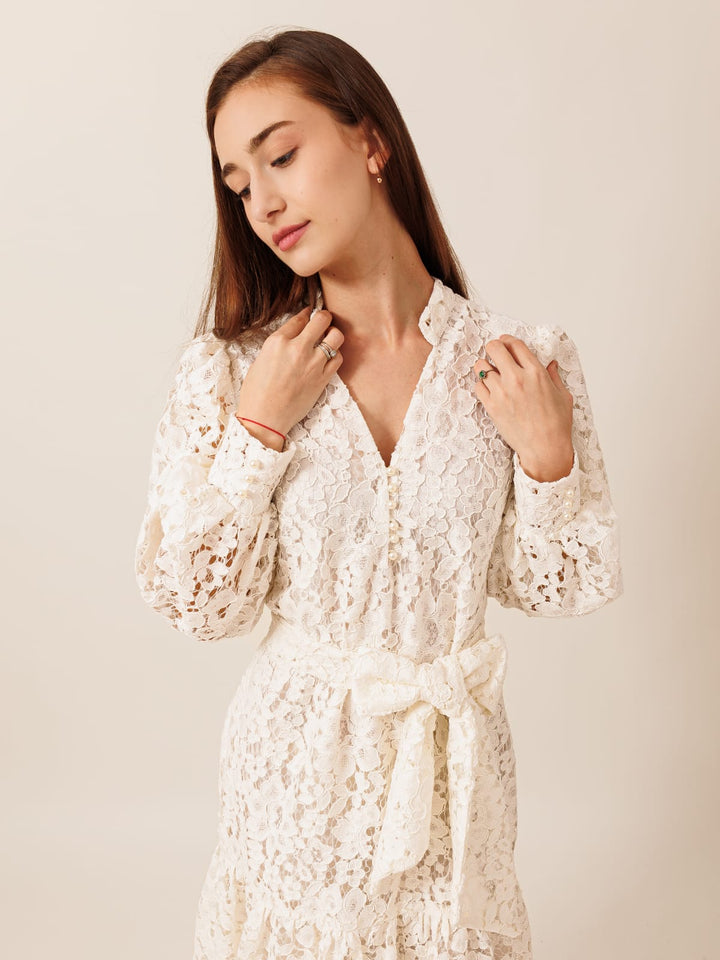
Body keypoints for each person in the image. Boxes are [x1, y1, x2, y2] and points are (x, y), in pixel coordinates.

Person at [134, 26, 623, 960]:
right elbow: (198, 606)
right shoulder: (235, 372)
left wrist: (548, 460)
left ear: (370, 141)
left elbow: (559, 586)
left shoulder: (518, 361)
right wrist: (258, 433)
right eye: (239, 184)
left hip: (457, 787)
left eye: (281, 155)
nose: (264, 201)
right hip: (295, 782)